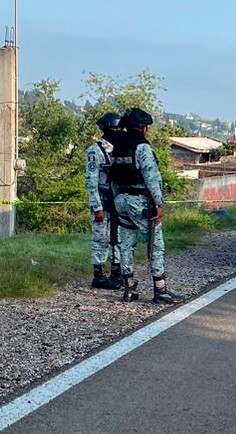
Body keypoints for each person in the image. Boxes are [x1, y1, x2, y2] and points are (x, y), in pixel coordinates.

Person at [111, 108, 185, 304]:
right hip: (141, 202)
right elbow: (152, 178)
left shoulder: (117, 147)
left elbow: (113, 179)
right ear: (143, 128)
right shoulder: (142, 148)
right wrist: (159, 203)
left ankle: (129, 289)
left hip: (122, 201)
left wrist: (118, 200)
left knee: (126, 245)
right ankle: (160, 290)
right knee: (156, 245)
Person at [85, 112, 124, 289]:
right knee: (100, 238)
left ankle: (117, 272)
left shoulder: (119, 148)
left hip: (117, 202)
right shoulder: (96, 151)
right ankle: (99, 275)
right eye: (115, 129)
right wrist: (97, 207)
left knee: (118, 238)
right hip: (102, 201)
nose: (118, 132)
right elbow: (91, 182)